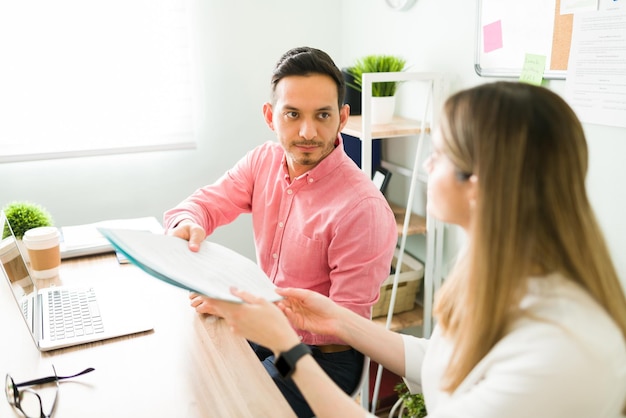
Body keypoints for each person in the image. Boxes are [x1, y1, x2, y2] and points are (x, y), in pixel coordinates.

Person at [198, 81, 626, 418]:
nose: (425, 165)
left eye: (439, 154)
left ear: (477, 185)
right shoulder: (499, 274)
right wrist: (336, 320)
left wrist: (288, 349)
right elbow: (440, 360)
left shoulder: (560, 350)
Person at [163, 46, 397, 417]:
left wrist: (242, 307)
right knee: (188, 379)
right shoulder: (262, 161)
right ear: (271, 117)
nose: (307, 131)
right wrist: (187, 224)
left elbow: (343, 325)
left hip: (323, 360)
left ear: (342, 117)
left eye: (323, 115)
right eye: (292, 115)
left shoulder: (363, 209)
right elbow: (200, 206)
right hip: (264, 333)